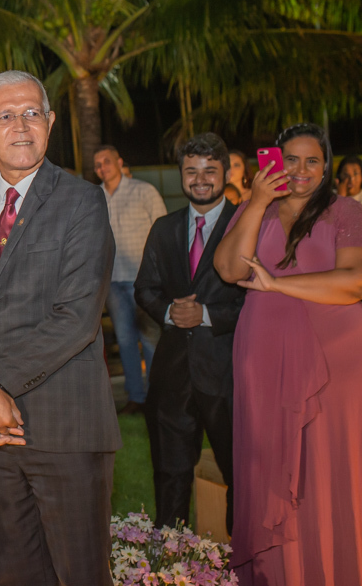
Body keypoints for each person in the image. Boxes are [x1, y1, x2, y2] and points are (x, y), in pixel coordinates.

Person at [0, 70, 120, 586]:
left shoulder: (81, 201)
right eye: (6, 116)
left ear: (51, 122)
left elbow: (78, 318)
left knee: (80, 574)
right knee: (18, 573)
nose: (21, 126)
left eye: (32, 113)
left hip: (66, 428)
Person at [214, 123, 362, 586]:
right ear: (272, 163)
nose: (300, 169)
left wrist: (278, 283)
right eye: (290, 159)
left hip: (334, 358)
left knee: (330, 463)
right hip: (263, 354)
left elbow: (354, 282)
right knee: (266, 461)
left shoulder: (345, 211)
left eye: (311, 160)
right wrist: (256, 202)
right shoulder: (252, 209)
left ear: (326, 166)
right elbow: (227, 269)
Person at [134, 133, 244, 531]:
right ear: (181, 174)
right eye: (191, 171)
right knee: (170, 473)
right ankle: (170, 560)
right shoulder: (164, 228)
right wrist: (168, 310)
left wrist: (207, 315)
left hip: (230, 373)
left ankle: (241, 560)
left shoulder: (247, 225)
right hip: (173, 374)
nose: (200, 179)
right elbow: (144, 287)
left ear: (226, 173)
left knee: (242, 476)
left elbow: (261, 300)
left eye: (210, 171)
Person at [93, 144, 168, 414]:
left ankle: (159, 395)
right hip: (113, 281)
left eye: (107, 161)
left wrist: (162, 273)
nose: (102, 167)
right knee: (125, 341)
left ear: (119, 161)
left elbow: (163, 231)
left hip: (143, 280)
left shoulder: (143, 191)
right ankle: (136, 397)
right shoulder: (95, 198)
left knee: (150, 339)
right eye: (98, 164)